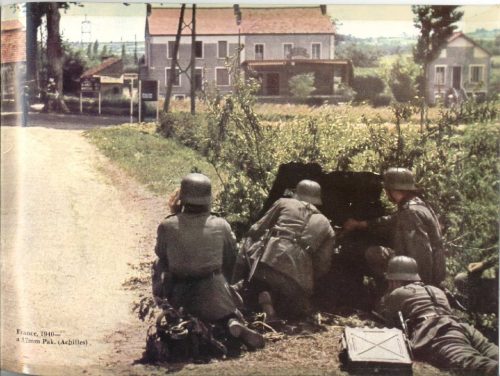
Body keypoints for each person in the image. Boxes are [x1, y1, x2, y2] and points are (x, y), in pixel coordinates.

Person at [152, 173, 264, 350]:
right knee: (225, 307)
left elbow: (162, 255)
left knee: (158, 264)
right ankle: (230, 321)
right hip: (214, 293)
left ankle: (175, 317)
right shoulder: (221, 224)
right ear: (208, 199)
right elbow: (231, 259)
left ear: (183, 198)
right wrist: (225, 284)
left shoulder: (167, 226)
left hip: (180, 294)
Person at [376, 256, 498, 376]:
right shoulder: (436, 290)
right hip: (462, 327)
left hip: (437, 332)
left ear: (395, 280)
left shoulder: (397, 293)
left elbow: (385, 317)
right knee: (494, 353)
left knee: (476, 365)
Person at [233, 179, 335, 320]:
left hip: (268, 262)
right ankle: (273, 301)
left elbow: (255, 230)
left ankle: (243, 288)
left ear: (297, 193)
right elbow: (322, 265)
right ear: (318, 200)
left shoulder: (284, 202)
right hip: (296, 279)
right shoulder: (327, 225)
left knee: (251, 255)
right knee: (292, 310)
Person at [343, 167, 446, 287]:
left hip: (423, 279)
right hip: (433, 273)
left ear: (391, 189)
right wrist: (361, 224)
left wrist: (420, 288)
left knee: (374, 253)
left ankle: (387, 290)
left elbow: (421, 254)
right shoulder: (417, 205)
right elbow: (391, 221)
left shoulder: (410, 213)